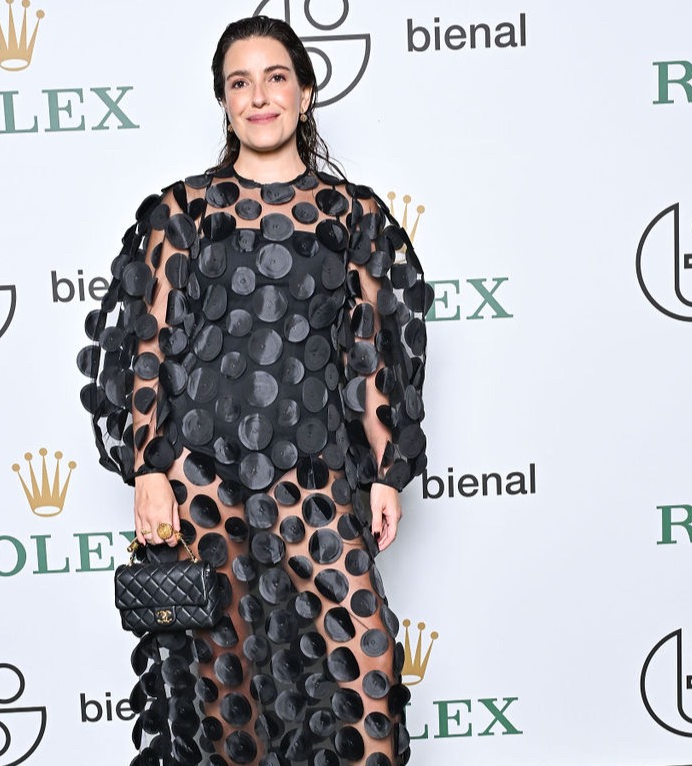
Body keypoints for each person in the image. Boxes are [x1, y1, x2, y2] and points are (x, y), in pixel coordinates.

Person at [77, 15, 431, 766]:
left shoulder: (354, 215)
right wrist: (148, 468)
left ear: (305, 93)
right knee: (225, 702)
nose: (260, 97)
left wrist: (386, 470)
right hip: (203, 486)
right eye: (241, 83)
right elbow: (148, 345)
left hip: (316, 479)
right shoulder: (183, 212)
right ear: (224, 100)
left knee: (363, 677)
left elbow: (372, 350)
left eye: (276, 78)